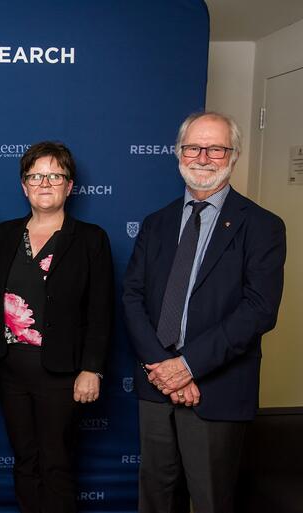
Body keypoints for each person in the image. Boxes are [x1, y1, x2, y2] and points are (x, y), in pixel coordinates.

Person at [122, 111, 286, 513]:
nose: (203, 157)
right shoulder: (156, 223)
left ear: (233, 156)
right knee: (156, 499)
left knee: (212, 500)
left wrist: (189, 366)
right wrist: (165, 369)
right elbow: (132, 297)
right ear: (179, 152)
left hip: (219, 390)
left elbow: (260, 309)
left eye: (216, 148)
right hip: (157, 386)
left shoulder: (262, 226)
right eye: (193, 147)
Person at [0, 141, 113, 513]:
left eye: (55, 175)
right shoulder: (5, 235)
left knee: (56, 463)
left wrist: (92, 369)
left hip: (62, 371)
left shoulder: (91, 238)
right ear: (24, 186)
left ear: (69, 186)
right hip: (11, 369)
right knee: (24, 460)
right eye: (35, 176)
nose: (45, 183)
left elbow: (101, 311)